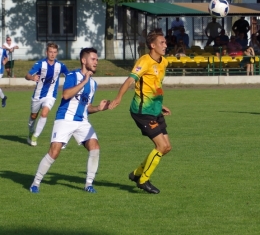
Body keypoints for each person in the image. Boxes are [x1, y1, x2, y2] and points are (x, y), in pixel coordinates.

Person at [29, 47, 110, 194]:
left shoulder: (93, 84)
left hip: (82, 121)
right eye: (93, 59)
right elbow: (65, 95)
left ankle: (88, 184)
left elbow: (87, 106)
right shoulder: (73, 76)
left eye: (97, 59)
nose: (96, 62)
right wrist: (83, 82)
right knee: (54, 152)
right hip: (65, 119)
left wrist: (99, 108)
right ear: (83, 60)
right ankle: (36, 182)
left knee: (95, 147)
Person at [109, 28, 172, 194]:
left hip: (155, 109)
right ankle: (143, 180)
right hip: (142, 111)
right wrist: (118, 98)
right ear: (152, 45)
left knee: (167, 147)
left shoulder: (164, 62)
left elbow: (156, 85)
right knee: (161, 146)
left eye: (165, 42)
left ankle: (137, 174)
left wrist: (160, 103)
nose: (165, 45)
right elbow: (130, 80)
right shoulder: (144, 61)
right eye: (162, 42)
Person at [25, 42, 69, 147]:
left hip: (51, 95)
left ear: (57, 53)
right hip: (37, 95)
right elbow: (27, 75)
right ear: (46, 52)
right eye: (50, 52)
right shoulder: (40, 64)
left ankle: (35, 136)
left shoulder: (60, 65)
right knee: (33, 116)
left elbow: (69, 76)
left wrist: (68, 89)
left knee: (44, 113)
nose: (52, 54)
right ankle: (31, 132)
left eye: (54, 52)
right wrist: (32, 77)